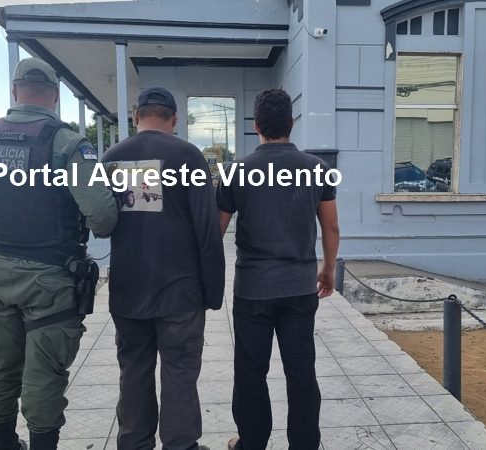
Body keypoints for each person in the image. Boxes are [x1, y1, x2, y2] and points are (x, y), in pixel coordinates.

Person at [0, 58, 118, 450]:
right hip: (50, 279)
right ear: (56, 96)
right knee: (43, 375)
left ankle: (3, 445)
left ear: (14, 91)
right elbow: (103, 217)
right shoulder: (67, 143)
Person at [216, 88, 340, 450]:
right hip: (300, 288)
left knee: (250, 372)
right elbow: (331, 227)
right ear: (291, 123)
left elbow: (214, 232)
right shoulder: (318, 169)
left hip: (252, 290)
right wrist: (328, 268)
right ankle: (304, 444)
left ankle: (252, 442)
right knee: (301, 372)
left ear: (256, 125)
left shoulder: (235, 171)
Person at [101, 87, 225, 450]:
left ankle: (134, 444)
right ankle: (180, 445)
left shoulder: (111, 158)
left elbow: (100, 221)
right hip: (180, 293)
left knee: (134, 370)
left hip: (128, 291)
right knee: (180, 372)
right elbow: (207, 230)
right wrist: (213, 292)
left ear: (136, 116)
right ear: (174, 119)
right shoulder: (188, 156)